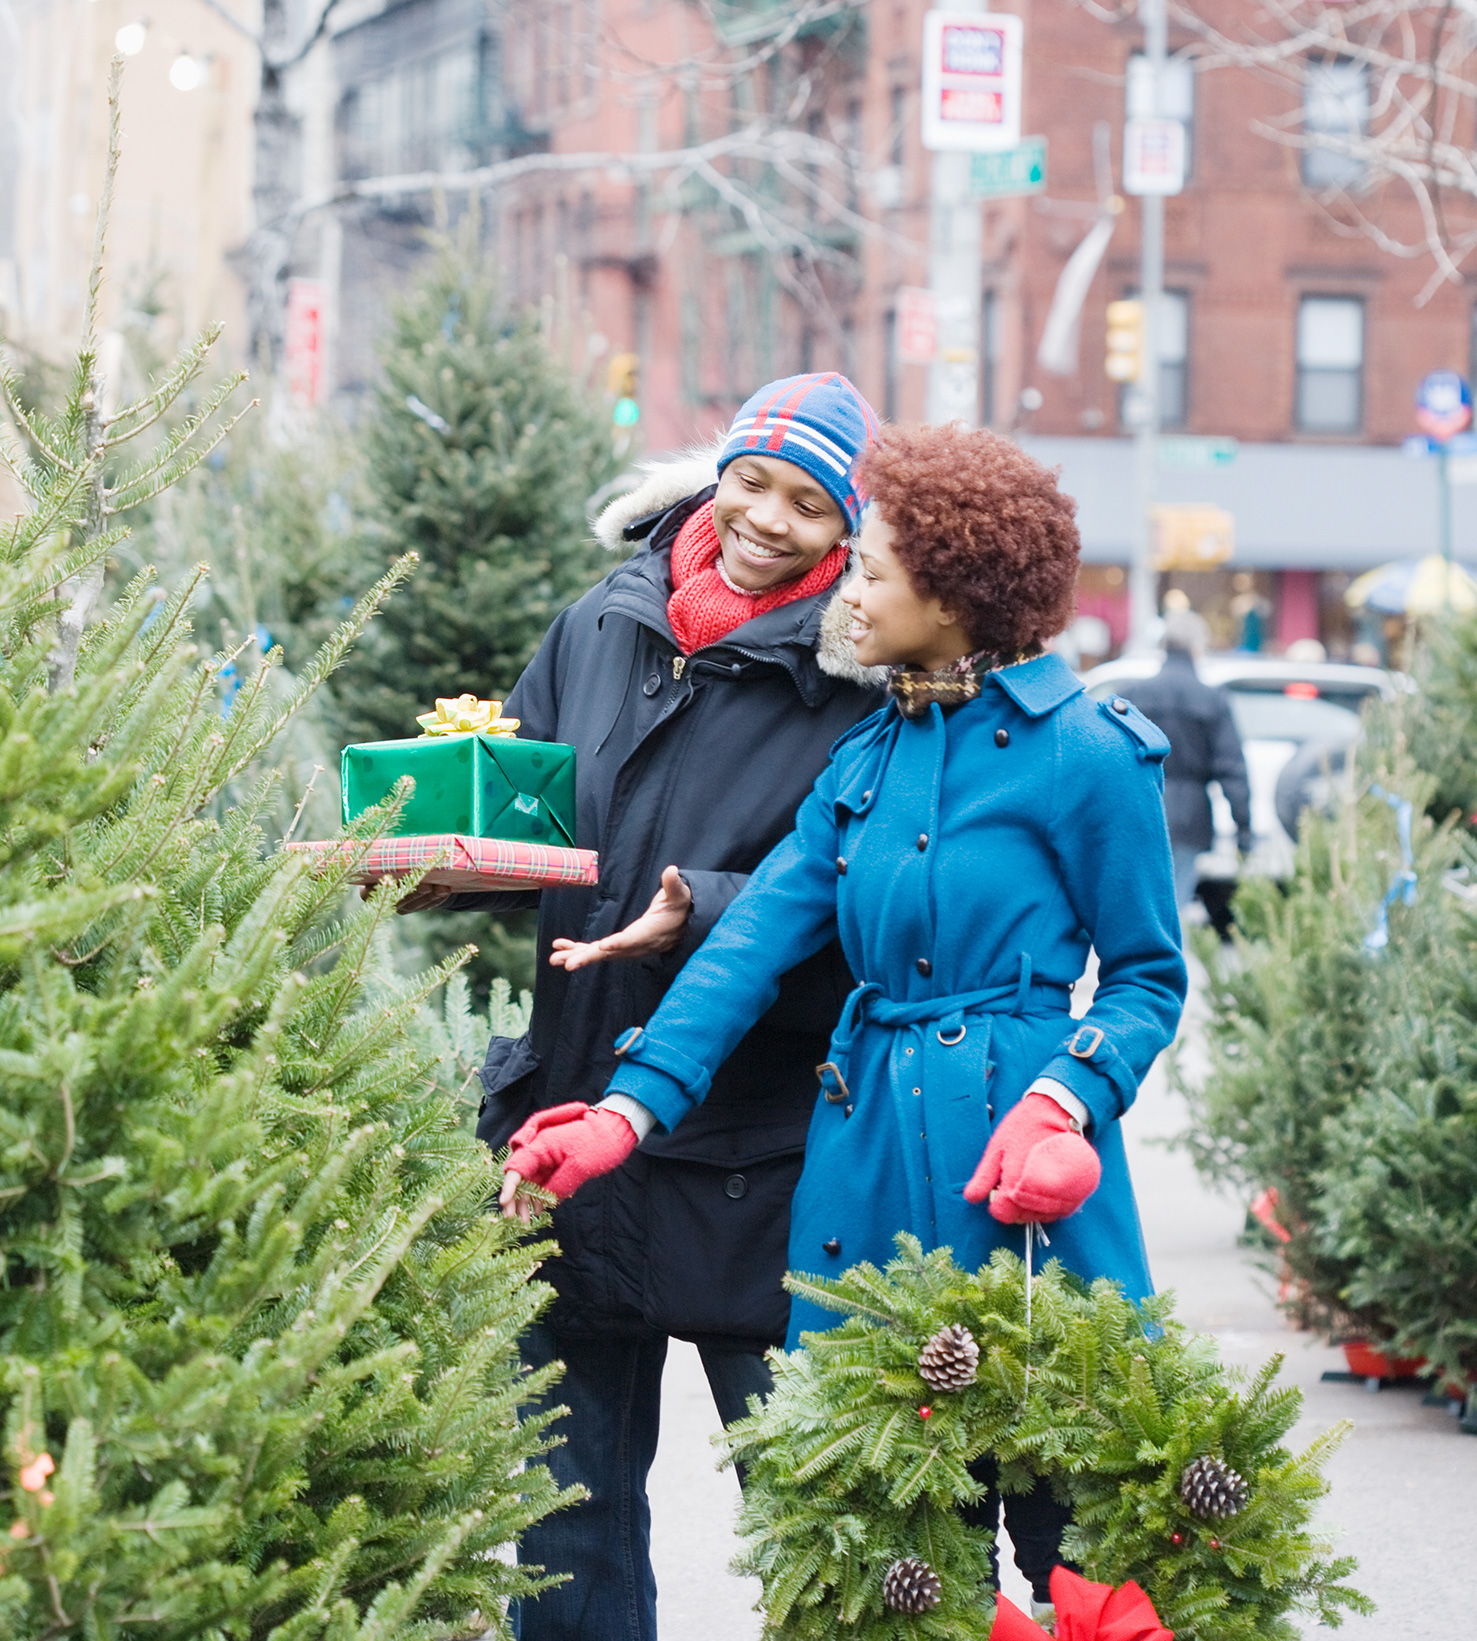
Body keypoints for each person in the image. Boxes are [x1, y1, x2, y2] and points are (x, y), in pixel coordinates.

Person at [499, 424, 1189, 1603]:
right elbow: (750, 948)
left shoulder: (1086, 755)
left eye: (871, 570)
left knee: (1078, 1532)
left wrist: (1065, 1097)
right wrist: (622, 1115)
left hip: (1023, 1164)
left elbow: (1146, 976)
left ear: (956, 596)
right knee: (898, 1541)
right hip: (861, 1167)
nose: (846, 591)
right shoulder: (868, 757)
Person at [416, 373, 886, 1641]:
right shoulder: (607, 620)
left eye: (809, 502)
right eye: (752, 481)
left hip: (757, 1153)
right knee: (565, 1523)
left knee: (817, 1506)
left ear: (850, 531)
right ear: (715, 473)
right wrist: (435, 860)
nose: (768, 519)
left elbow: (878, 905)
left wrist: (712, 910)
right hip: (570, 1125)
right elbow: (528, 798)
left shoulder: (865, 681)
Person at [1123, 609, 1252, 912]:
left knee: (1140, 906)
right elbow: (1232, 770)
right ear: (1198, 648)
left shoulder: (1133, 695)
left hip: (1141, 809)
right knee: (1175, 905)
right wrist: (1243, 829)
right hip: (1192, 818)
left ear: (1164, 646)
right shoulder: (1213, 700)